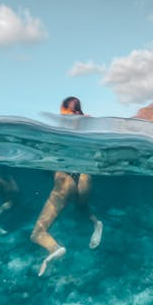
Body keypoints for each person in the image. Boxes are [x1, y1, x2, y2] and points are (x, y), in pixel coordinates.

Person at [31, 97, 103, 276]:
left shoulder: (57, 133)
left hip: (65, 182)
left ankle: (54, 249)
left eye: (63, 114)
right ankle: (97, 223)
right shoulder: (88, 131)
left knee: (37, 233)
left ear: (67, 112)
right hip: (85, 178)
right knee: (81, 206)